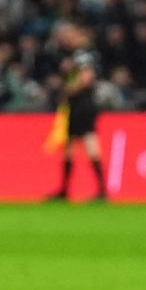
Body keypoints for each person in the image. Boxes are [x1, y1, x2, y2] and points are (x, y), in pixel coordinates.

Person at [48, 22, 107, 201]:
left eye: (68, 34)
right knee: (70, 146)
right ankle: (66, 189)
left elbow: (87, 78)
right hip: (77, 104)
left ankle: (101, 190)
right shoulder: (78, 53)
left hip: (83, 104)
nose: (66, 39)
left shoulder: (83, 54)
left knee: (89, 143)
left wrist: (67, 90)